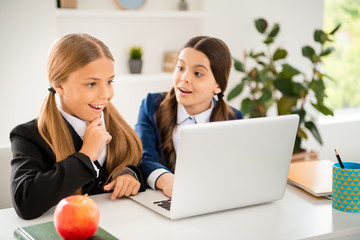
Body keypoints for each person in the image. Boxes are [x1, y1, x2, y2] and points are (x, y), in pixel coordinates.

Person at [10, 33, 145, 220]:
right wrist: (87, 155)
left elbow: (137, 161)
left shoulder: (115, 124)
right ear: (58, 85)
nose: (106, 94)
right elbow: (26, 202)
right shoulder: (29, 135)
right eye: (91, 84)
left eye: (109, 82)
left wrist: (130, 175)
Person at [135, 36, 243, 198]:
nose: (184, 77)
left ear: (218, 86)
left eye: (198, 73)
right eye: (180, 67)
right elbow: (142, 157)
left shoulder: (233, 118)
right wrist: (167, 181)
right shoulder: (152, 106)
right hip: (163, 199)